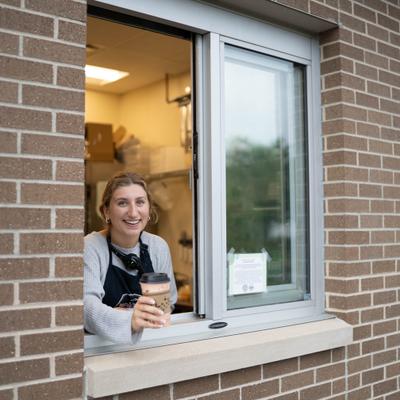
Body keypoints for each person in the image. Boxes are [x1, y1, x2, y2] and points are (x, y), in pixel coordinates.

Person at [84, 172, 177, 344]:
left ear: (149, 209)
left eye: (140, 202)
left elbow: (167, 303)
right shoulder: (91, 247)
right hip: (101, 350)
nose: (133, 213)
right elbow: (87, 308)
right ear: (106, 211)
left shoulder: (158, 247)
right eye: (122, 203)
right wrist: (131, 319)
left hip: (148, 345)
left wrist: (126, 315)